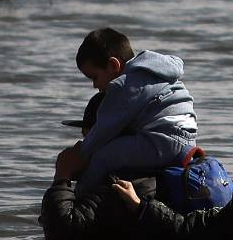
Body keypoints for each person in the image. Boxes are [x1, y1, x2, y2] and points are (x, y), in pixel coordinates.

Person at [40, 93, 221, 240]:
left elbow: (61, 236)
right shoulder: (174, 165)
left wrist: (63, 175)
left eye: (88, 137)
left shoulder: (119, 187)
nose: (82, 145)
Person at [56, 27, 198, 194]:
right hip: (188, 139)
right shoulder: (156, 72)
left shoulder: (124, 85)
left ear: (113, 65)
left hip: (161, 140)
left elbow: (104, 129)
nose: (95, 85)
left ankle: (81, 195)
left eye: (94, 77)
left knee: (102, 157)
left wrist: (80, 155)